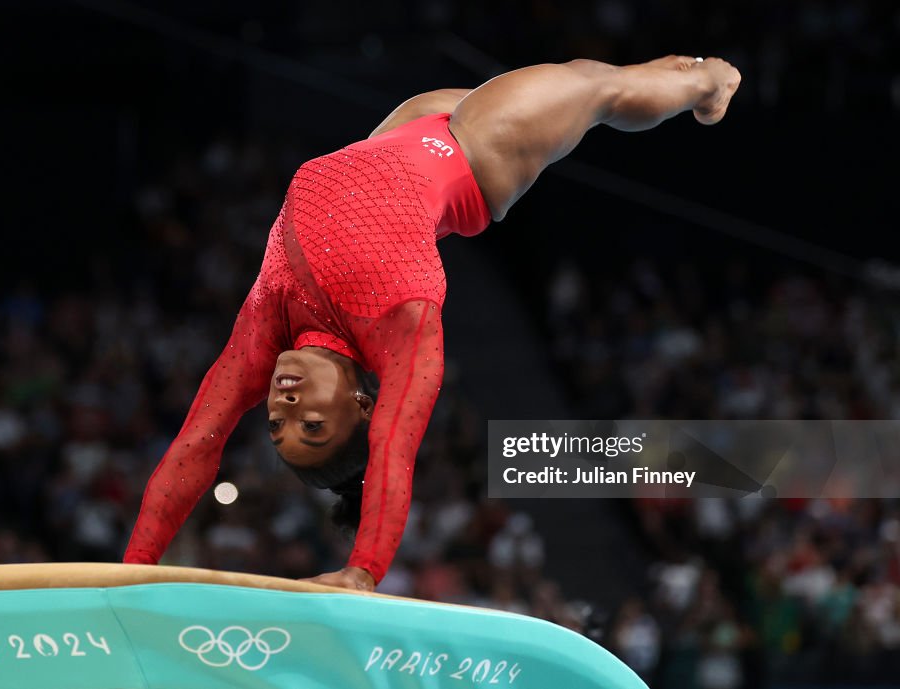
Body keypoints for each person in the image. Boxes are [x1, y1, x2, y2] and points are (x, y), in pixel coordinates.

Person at [124, 55, 742, 591]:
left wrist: (134, 566)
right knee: (592, 85)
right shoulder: (402, 328)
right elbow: (397, 451)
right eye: (311, 424)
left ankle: (672, 71)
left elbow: (195, 446)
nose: (283, 404)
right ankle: (709, 82)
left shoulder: (265, 329)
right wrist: (364, 568)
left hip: (389, 141)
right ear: (363, 406)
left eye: (277, 423)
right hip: (478, 154)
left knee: (595, 79)